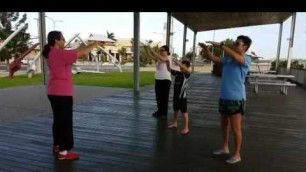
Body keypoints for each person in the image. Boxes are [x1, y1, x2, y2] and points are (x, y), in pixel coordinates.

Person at [42, 31, 100, 160]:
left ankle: (57, 145)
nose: (64, 41)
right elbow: (82, 52)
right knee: (65, 122)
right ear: (56, 41)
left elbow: (77, 51)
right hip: (62, 93)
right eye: (62, 39)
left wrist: (87, 45)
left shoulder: (52, 52)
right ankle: (64, 152)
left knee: (58, 120)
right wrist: (95, 44)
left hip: (54, 92)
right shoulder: (58, 53)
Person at [198, 35, 252, 164]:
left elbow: (236, 57)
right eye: (235, 42)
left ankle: (237, 154)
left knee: (236, 128)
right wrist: (206, 50)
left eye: (237, 43)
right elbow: (214, 59)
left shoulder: (246, 59)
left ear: (245, 47)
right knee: (224, 125)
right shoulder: (228, 59)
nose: (234, 44)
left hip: (236, 99)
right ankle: (225, 147)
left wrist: (221, 45)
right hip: (224, 97)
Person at [145, 45, 172, 118]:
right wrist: (147, 49)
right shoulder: (159, 58)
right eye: (160, 50)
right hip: (158, 79)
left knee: (164, 97)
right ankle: (159, 110)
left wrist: (152, 50)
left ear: (167, 51)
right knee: (158, 97)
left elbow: (162, 59)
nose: (161, 51)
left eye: (162, 50)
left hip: (166, 80)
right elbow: (150, 57)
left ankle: (164, 113)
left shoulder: (168, 58)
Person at [166, 59, 191, 134]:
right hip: (176, 96)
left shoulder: (186, 74)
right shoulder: (178, 73)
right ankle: (175, 123)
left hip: (182, 97)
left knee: (184, 112)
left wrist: (178, 63)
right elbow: (169, 69)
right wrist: (167, 63)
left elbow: (188, 70)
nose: (181, 67)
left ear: (186, 67)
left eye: (182, 66)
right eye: (180, 66)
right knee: (176, 110)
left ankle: (186, 128)